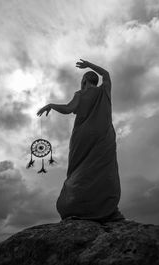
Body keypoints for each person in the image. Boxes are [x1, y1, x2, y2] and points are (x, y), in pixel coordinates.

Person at [37, 59, 124, 222]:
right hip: (104, 135)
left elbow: (68, 109)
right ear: (95, 80)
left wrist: (51, 105)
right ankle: (108, 209)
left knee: (79, 171)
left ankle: (77, 207)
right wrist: (90, 65)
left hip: (83, 137)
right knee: (105, 170)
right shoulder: (104, 90)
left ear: (84, 81)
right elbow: (106, 73)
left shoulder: (80, 94)